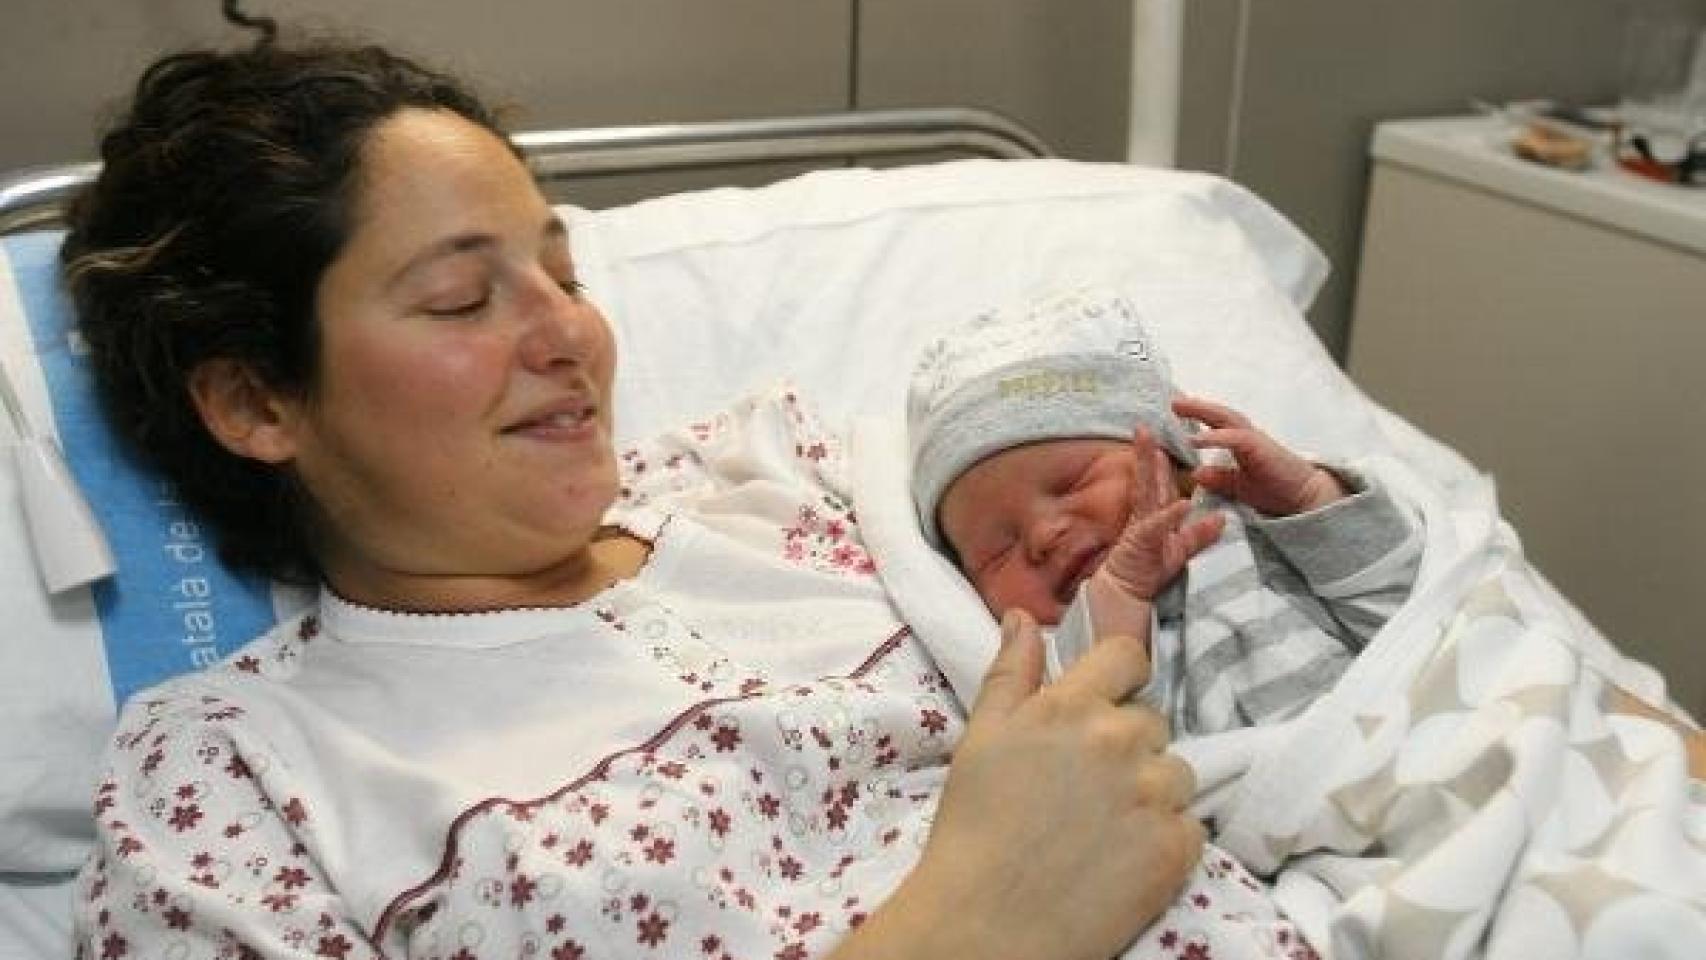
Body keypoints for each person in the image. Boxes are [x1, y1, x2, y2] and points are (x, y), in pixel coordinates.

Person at [62, 35, 1324, 960]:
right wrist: (973, 926)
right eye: (460, 299)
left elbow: (1224, 619)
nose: (569, 333)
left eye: (562, 272)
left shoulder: (782, 480)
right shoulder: (234, 783)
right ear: (256, 404)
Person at [908, 289, 1425, 735]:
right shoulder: (1048, 650)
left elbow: (1410, 611)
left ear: (1172, 452)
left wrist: (1311, 497)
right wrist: (1124, 592)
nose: (1044, 535)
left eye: (1073, 482)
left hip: (1409, 735)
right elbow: (1099, 740)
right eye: (998, 551)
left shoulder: (1259, 518)